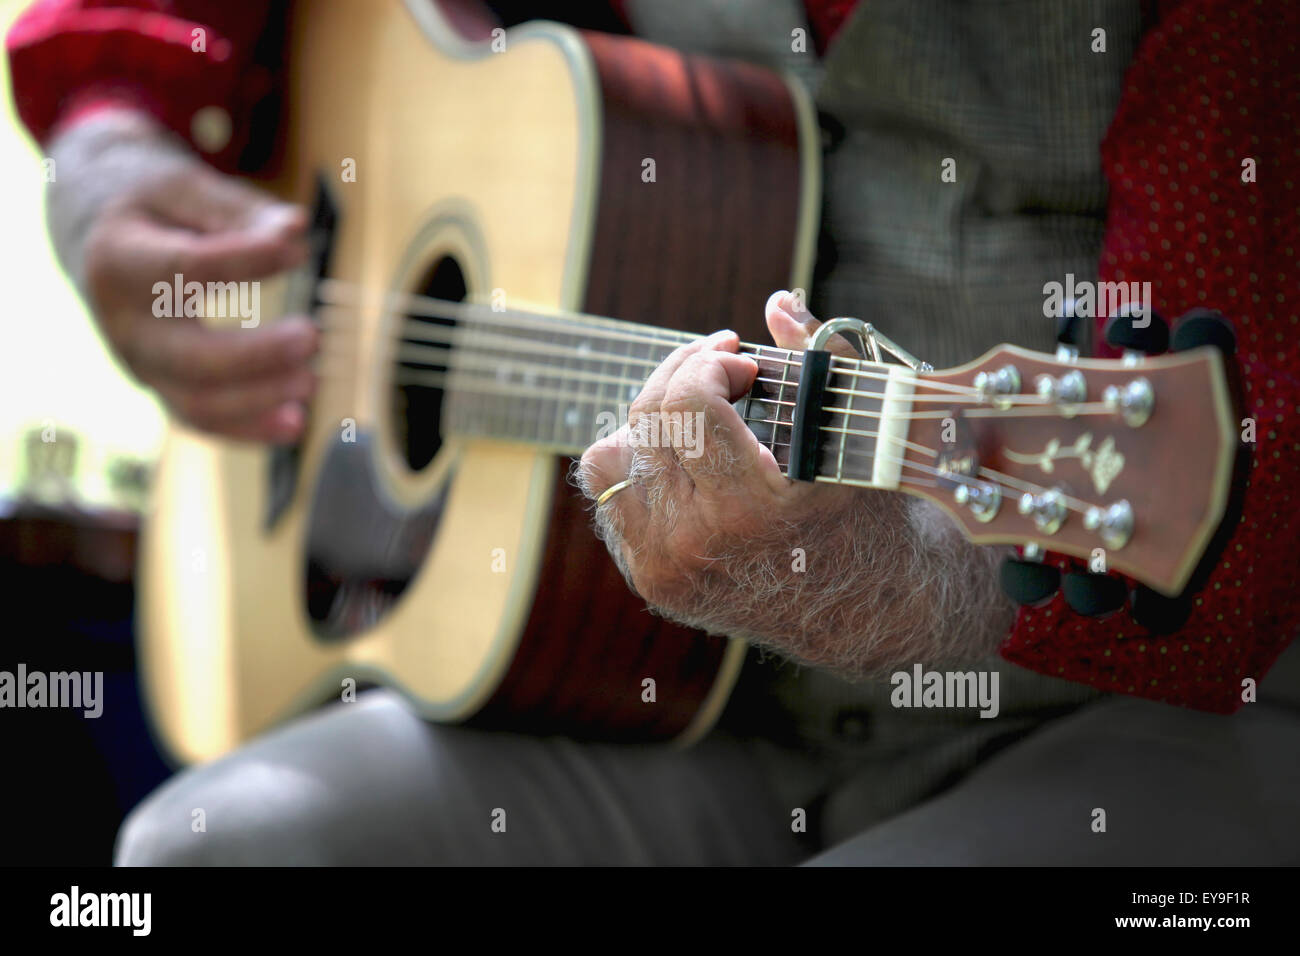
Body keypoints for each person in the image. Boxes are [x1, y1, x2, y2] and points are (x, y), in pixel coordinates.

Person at [9, 0, 1299, 865]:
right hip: (656, 699)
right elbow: (151, 29)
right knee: (216, 849)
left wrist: (870, 580)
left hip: (1122, 724)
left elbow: (1229, 521)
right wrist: (111, 142)